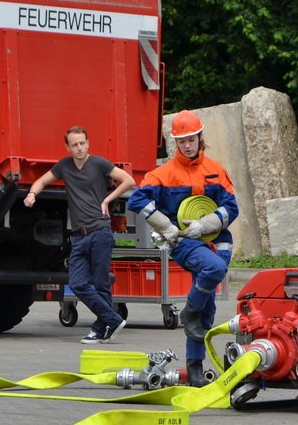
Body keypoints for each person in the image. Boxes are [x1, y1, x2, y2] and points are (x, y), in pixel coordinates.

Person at [128, 110, 238, 387]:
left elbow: (232, 207)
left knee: (208, 309)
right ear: (175, 143)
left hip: (216, 240)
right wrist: (166, 228)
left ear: (201, 137)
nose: (187, 145)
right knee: (212, 270)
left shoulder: (216, 169)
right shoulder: (163, 173)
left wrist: (203, 225)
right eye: (182, 141)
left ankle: (195, 367)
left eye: (191, 139)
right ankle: (188, 312)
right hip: (183, 241)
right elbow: (137, 200)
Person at [24, 126, 135, 344]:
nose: (79, 148)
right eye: (74, 145)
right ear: (68, 147)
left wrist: (107, 200)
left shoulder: (99, 163)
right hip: (78, 236)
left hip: (100, 232)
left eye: (82, 143)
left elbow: (129, 181)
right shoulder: (64, 166)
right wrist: (31, 194)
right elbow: (41, 181)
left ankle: (101, 328)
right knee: (77, 283)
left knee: (102, 283)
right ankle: (112, 319)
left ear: (88, 143)